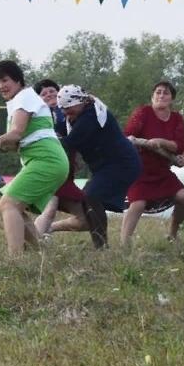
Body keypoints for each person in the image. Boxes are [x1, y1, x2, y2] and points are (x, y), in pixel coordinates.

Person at [0, 62, 70, 256]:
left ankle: (16, 260)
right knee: (17, 208)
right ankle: (40, 255)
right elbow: (14, 143)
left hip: (47, 160)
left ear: (18, 80)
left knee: (8, 204)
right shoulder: (17, 102)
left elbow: (17, 133)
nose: (1, 86)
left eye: (5, 80)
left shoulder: (25, 97)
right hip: (44, 160)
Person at [54, 85, 141, 248]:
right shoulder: (79, 113)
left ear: (79, 102)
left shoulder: (91, 116)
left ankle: (101, 247)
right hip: (107, 166)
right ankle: (100, 245)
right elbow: (58, 129)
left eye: (68, 108)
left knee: (91, 196)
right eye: (63, 109)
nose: (65, 113)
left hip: (122, 163)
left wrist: (44, 142)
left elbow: (69, 142)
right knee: (89, 198)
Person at [121, 81, 184, 246]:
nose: (161, 96)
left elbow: (179, 145)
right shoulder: (143, 113)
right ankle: (124, 244)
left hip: (162, 171)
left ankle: (172, 234)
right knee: (138, 204)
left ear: (172, 98)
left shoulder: (176, 118)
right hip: (139, 169)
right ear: (152, 97)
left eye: (165, 93)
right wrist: (141, 142)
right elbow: (128, 136)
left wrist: (160, 142)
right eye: (158, 92)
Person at [30, 79, 88, 240]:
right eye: (43, 93)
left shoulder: (74, 112)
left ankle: (47, 229)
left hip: (67, 173)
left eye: (51, 91)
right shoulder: (39, 116)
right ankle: (32, 248)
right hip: (49, 168)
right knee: (50, 209)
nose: (49, 94)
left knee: (88, 219)